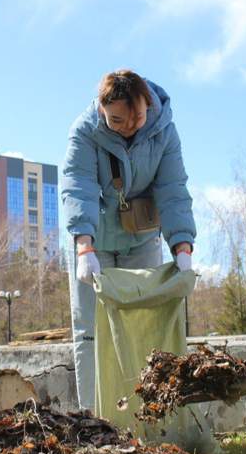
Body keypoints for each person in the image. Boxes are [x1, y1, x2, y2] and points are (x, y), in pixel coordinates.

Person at [61, 69, 196, 410]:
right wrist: (84, 246)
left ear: (147, 104)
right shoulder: (84, 131)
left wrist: (182, 245)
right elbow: (78, 187)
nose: (127, 128)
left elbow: (173, 188)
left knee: (146, 325)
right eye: (116, 120)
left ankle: (147, 413)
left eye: (136, 118)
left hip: (142, 239)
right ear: (102, 108)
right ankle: (94, 416)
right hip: (94, 243)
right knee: (90, 329)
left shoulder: (164, 131)